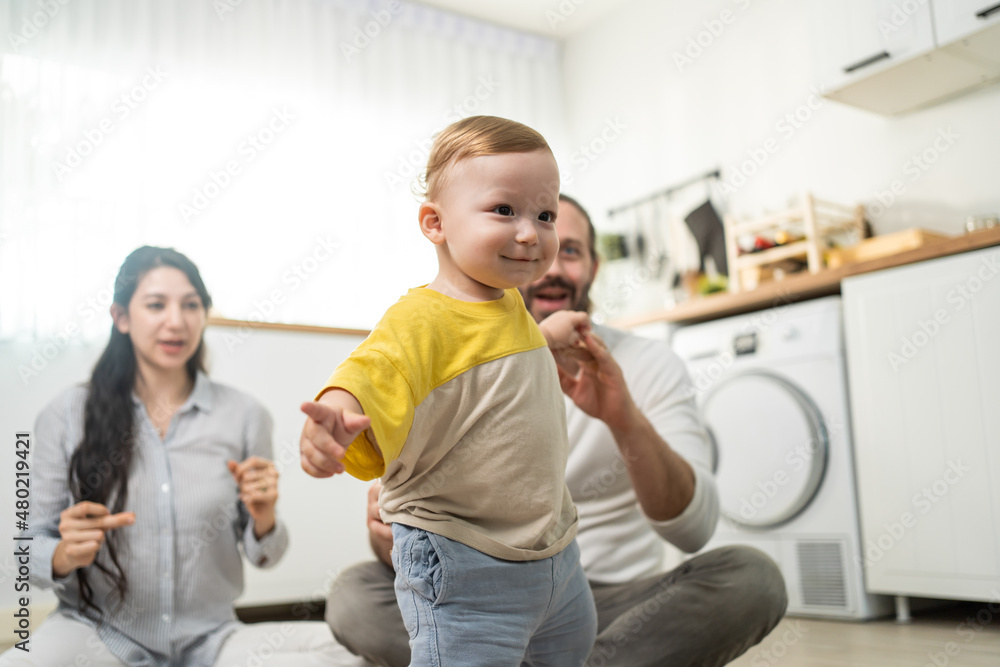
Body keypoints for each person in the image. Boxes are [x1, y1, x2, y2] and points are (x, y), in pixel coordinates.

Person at [325, 195, 789, 667]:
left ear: (594, 265)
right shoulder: (444, 360)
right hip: (478, 593)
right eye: (512, 231)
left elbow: (694, 530)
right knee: (352, 593)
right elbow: (408, 534)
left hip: (607, 602)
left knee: (751, 579)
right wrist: (393, 542)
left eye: (568, 249)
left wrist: (622, 415)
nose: (546, 261)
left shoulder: (649, 364)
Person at [298, 116, 598, 666]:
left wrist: (552, 335)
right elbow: (373, 370)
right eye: (504, 210)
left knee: (572, 651)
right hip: (462, 560)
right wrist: (338, 413)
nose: (530, 231)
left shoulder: (510, 305)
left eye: (545, 213)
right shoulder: (421, 318)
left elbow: (499, 358)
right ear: (435, 223)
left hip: (553, 550)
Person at [1, 247, 363, 667]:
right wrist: (65, 553)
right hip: (98, 635)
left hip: (210, 641)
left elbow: (268, 554)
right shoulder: (65, 414)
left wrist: (263, 517)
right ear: (121, 317)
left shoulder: (244, 415)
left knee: (336, 656)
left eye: (191, 305)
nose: (176, 321)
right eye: (156, 305)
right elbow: (25, 555)